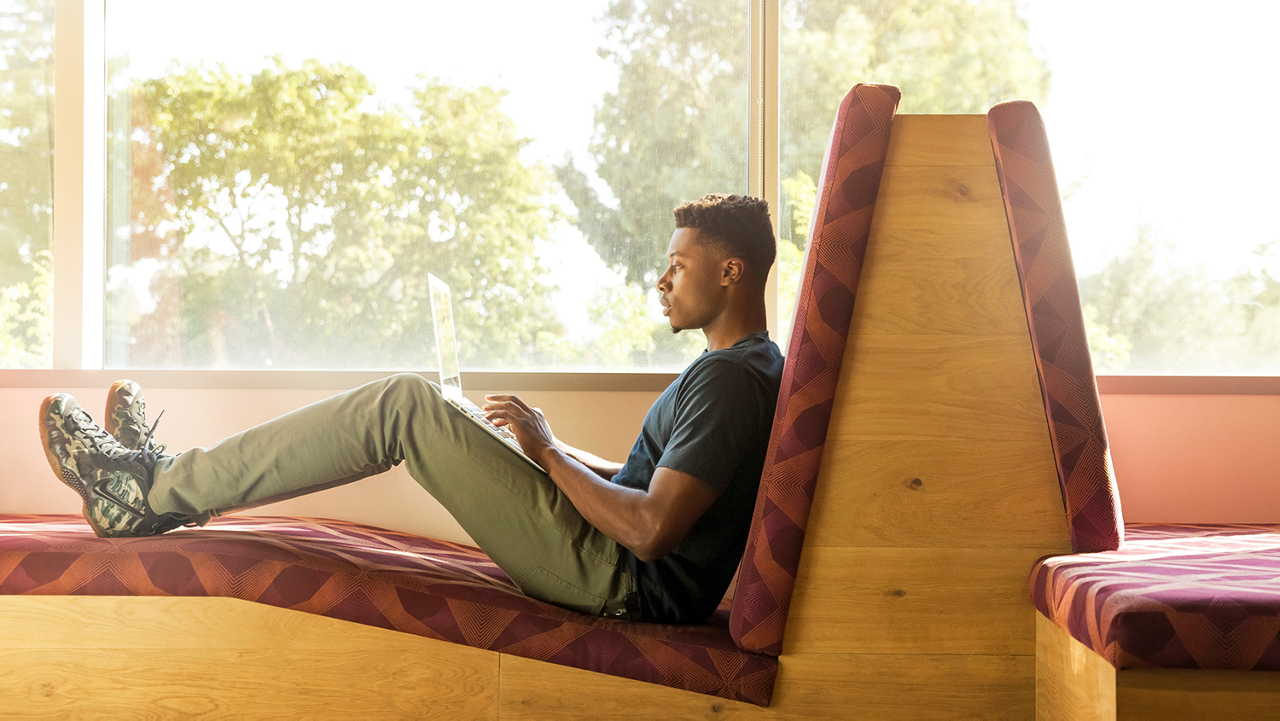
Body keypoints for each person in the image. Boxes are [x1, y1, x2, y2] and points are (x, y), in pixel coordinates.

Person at [37, 193, 783, 625]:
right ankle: (163, 486)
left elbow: (650, 531)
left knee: (402, 404)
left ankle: (152, 491)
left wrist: (551, 454)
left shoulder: (727, 381)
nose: (661, 280)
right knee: (421, 406)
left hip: (618, 581)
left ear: (730, 271)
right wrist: (536, 444)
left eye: (677, 265)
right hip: (608, 559)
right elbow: (643, 483)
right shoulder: (741, 370)